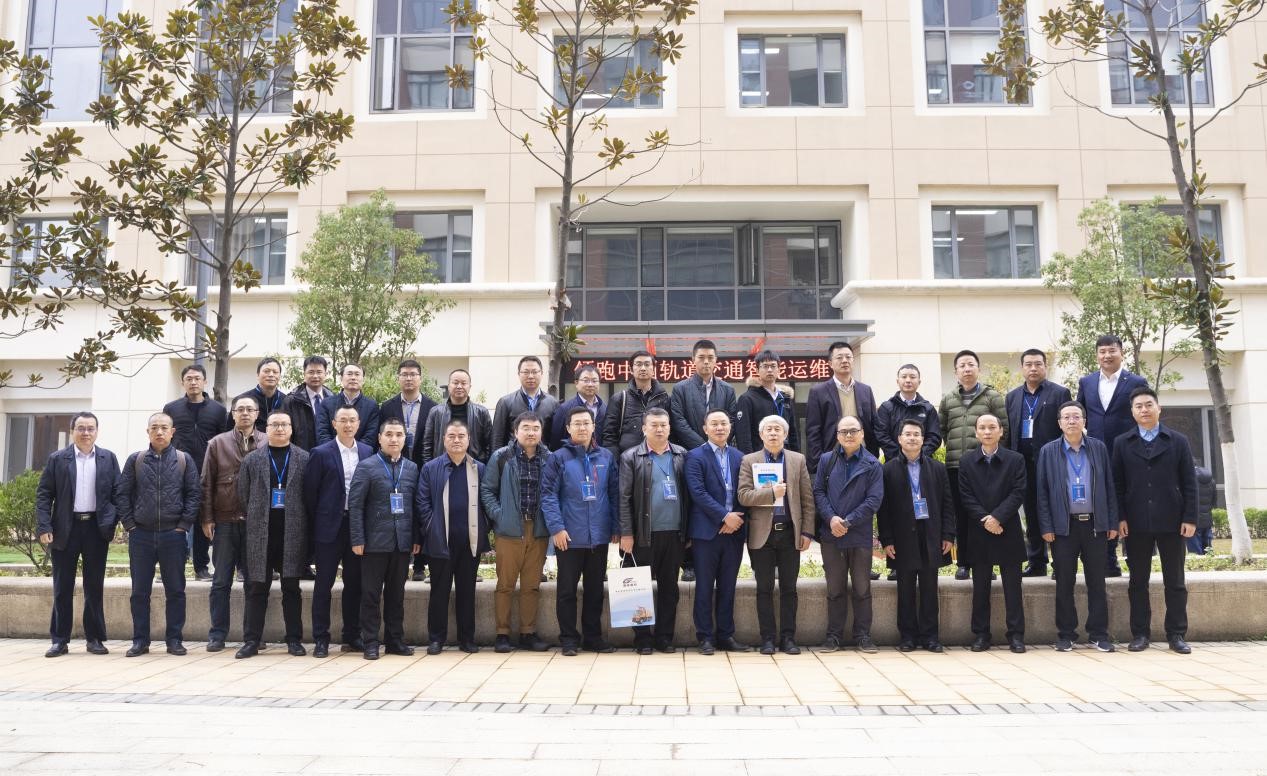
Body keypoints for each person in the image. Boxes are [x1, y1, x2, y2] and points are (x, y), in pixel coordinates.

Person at [1113, 386, 1198, 654]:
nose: (1144, 410)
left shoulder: (1178, 441)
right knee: (1138, 582)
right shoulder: (1122, 443)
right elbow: (1117, 485)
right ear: (1132, 412)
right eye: (1138, 406)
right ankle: (1140, 634)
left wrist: (1190, 518)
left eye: (1149, 405)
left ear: (1159, 408)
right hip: (1135, 522)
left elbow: (1190, 482)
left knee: (1175, 581)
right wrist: (1120, 517)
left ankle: (1177, 634)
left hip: (1172, 520)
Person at [35, 412, 121, 657]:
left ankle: (94, 639)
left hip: (96, 529)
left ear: (97, 431)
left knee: (94, 586)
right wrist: (44, 526)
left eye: (90, 428)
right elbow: (44, 494)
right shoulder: (58, 459)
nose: (86, 433)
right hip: (65, 528)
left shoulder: (108, 458)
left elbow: (118, 493)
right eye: (81, 428)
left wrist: (112, 521)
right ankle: (59, 640)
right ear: (73, 431)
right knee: (62, 587)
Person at [117, 412, 201, 657]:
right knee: (139, 592)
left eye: (164, 427)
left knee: (175, 591)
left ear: (172, 432)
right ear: (148, 432)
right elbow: (122, 494)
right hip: (141, 535)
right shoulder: (136, 460)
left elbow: (194, 494)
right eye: (154, 427)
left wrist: (184, 525)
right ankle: (140, 641)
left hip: (173, 535)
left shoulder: (184, 460)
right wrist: (130, 525)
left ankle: (174, 640)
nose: (159, 432)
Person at [1038, 401, 1119, 653]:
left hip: (1094, 525)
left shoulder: (1098, 448)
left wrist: (1111, 521)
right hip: (1063, 527)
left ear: (1084, 421)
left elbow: (1109, 486)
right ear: (1059, 423)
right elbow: (1042, 492)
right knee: (1064, 582)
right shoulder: (1048, 451)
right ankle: (1066, 634)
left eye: (1076, 416)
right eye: (1066, 417)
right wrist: (1046, 525)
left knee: (1097, 582)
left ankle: (1099, 634)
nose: (1071, 421)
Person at [543, 406, 620, 656]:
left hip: (598, 536)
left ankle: (593, 637)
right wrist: (557, 528)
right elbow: (548, 495)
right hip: (569, 536)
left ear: (594, 426)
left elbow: (614, 494)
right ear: (568, 428)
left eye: (587, 423)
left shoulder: (606, 457)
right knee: (566, 590)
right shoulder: (558, 458)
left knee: (595, 590)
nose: (582, 427)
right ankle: (568, 639)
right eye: (577, 423)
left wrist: (616, 527)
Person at [234, 412, 309, 658]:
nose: (279, 428)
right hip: (260, 532)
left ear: (291, 428)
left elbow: (309, 495)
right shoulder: (252, 459)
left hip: (292, 532)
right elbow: (243, 495)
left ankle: (294, 640)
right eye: (274, 424)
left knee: (291, 588)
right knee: (257, 588)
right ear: (266, 429)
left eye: (284, 424)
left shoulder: (304, 458)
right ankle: (251, 641)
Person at [738, 415, 815, 655]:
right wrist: (772, 493)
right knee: (764, 588)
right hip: (762, 535)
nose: (773, 433)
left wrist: (807, 531)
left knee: (789, 588)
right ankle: (768, 639)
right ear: (761, 435)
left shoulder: (797, 460)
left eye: (777, 429)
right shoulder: (749, 460)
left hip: (790, 533)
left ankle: (788, 638)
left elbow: (807, 499)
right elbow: (743, 496)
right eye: (768, 429)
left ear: (785, 434)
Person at [303, 406, 375, 657]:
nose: (348, 424)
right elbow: (310, 494)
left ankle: (352, 635)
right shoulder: (320, 453)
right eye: (343, 420)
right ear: (334, 424)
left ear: (359, 423)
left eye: (352, 420)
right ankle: (321, 639)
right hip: (329, 527)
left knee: (354, 584)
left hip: (357, 527)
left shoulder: (367, 451)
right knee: (324, 584)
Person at [878, 419, 956, 653]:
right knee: (905, 589)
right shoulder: (888, 469)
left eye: (916, 434)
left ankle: (931, 637)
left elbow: (948, 504)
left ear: (923, 440)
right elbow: (883, 509)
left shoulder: (937, 468)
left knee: (930, 588)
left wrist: (948, 534)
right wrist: (887, 540)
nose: (912, 438)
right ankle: (907, 637)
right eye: (908, 434)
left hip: (931, 533)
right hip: (902, 537)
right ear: (899, 439)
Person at [617, 407, 689, 655]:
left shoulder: (681, 455)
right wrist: (626, 533)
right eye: (654, 425)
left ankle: (664, 638)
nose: (659, 429)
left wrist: (688, 533)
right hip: (642, 535)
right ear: (644, 428)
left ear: (669, 428)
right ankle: (643, 639)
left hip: (675, 533)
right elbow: (624, 497)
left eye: (663, 425)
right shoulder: (631, 456)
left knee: (670, 589)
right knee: (638, 588)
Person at [348, 418, 421, 660]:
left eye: (399, 434)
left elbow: (415, 507)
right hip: (373, 543)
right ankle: (370, 642)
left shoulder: (411, 468)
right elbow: (356, 505)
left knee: (396, 595)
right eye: (389, 434)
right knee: (370, 594)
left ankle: (394, 640)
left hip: (402, 542)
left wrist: (415, 537)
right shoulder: (367, 466)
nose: (394, 439)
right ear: (379, 438)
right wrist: (357, 539)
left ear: (404, 439)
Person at [1077, 334, 1148, 577]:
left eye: (1112, 350)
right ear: (1097, 355)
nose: (1107, 355)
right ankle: (1108, 561)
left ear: (1121, 353)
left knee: (1129, 503)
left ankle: (1135, 559)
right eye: (1102, 351)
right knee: (1102, 505)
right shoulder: (1086, 382)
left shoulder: (1136, 381)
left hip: (1128, 453)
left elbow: (1141, 414)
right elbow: (1081, 413)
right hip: (1095, 454)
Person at [811, 415, 883, 653]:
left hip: (859, 534)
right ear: (837, 435)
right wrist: (831, 518)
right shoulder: (827, 460)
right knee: (835, 589)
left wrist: (848, 521)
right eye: (844, 432)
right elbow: (818, 492)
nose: (849, 435)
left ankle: (863, 636)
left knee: (862, 588)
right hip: (831, 534)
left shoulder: (872, 464)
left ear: (862, 433)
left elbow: (874, 500)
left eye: (853, 431)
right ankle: (833, 636)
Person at [481, 412, 552, 653]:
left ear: (541, 432)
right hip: (509, 529)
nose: (531, 432)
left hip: (538, 529)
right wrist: (500, 515)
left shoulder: (549, 458)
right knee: (505, 584)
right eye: (526, 428)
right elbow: (487, 490)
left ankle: (528, 633)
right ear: (515, 432)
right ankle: (502, 634)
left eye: (535, 428)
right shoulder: (502, 457)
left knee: (532, 585)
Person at [418, 419, 490, 655]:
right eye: (451, 436)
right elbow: (422, 502)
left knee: (467, 592)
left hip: (470, 541)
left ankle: (467, 639)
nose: (456, 440)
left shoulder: (479, 468)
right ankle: (436, 639)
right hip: (441, 541)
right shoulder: (431, 468)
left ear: (469, 440)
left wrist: (485, 525)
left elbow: (488, 500)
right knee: (438, 592)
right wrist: (432, 527)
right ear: (444, 440)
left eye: (461, 436)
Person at [199, 396, 265, 652]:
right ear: (233, 414)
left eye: (250, 409)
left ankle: (253, 636)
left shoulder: (267, 441)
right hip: (225, 521)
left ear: (257, 414)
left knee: (254, 582)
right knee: (220, 582)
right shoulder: (217, 443)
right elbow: (206, 483)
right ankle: (217, 635)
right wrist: (207, 517)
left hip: (255, 524)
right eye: (240, 409)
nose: (245, 413)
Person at [958, 414, 1028, 653]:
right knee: (980, 588)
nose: (987, 432)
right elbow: (966, 496)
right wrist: (986, 520)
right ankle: (981, 634)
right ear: (976, 432)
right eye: (982, 428)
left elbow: (1018, 492)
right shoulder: (966, 461)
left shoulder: (1016, 460)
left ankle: (1016, 635)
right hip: (980, 531)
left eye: (992, 427)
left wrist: (997, 517)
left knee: (1013, 588)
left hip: (1007, 528)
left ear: (1001, 431)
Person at [938, 349, 1007, 581]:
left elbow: (1004, 429)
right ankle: (964, 563)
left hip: (986, 466)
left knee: (986, 514)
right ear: (955, 371)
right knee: (961, 515)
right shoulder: (948, 399)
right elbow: (943, 430)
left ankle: (988, 563)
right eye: (962, 365)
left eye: (971, 364)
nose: (967, 369)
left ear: (978, 368)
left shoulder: (992, 397)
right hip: (956, 465)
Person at [684, 409, 749, 655]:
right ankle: (705, 637)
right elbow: (698, 492)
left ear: (730, 427)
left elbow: (746, 491)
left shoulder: (740, 457)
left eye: (723, 423)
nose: (720, 428)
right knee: (703, 587)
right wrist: (724, 516)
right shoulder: (694, 456)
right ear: (705, 429)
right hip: (706, 532)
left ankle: (725, 635)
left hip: (734, 532)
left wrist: (735, 518)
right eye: (714, 424)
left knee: (728, 586)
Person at [1005, 349, 1072, 578]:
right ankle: (1037, 562)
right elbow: (1010, 432)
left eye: (1038, 364)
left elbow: (1065, 427)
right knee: (1032, 513)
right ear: (1022, 368)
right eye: (1028, 364)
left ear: (1045, 366)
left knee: (1056, 511)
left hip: (1052, 463)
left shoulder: (1060, 393)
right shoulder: (1012, 397)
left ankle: (1060, 563)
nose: (1033, 368)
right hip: (1023, 464)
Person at [164, 363, 230, 581]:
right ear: (182, 382)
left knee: (204, 519)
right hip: (177, 472)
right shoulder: (171, 409)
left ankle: (201, 568)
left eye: (197, 378)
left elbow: (224, 441)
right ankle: (171, 568)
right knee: (175, 519)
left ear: (205, 382)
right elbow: (166, 439)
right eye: (189, 379)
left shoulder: (218, 410)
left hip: (207, 472)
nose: (193, 382)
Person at [378, 358, 439, 582]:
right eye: (404, 374)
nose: (409, 378)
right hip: (395, 467)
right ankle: (398, 563)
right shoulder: (387, 406)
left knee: (421, 511)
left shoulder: (433, 407)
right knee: (398, 512)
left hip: (424, 467)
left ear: (420, 378)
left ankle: (420, 564)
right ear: (398, 378)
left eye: (413, 374)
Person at [804, 341, 879, 474]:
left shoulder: (865, 390)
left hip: (862, 457)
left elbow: (873, 424)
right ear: (830, 363)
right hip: (832, 458)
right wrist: (819, 461)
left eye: (848, 357)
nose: (845, 360)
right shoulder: (818, 392)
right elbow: (813, 431)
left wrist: (873, 456)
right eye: (839, 357)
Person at [603, 350, 672, 459]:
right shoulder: (620, 399)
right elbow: (609, 435)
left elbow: (672, 432)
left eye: (647, 364)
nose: (643, 368)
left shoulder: (665, 399)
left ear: (653, 369)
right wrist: (615, 462)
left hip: (658, 458)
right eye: (638, 364)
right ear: (631, 369)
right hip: (627, 460)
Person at [670, 339, 738, 449]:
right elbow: (678, 422)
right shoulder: (680, 389)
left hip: (720, 450)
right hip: (689, 451)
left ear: (716, 360)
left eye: (710, 358)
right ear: (693, 359)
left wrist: (717, 443)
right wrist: (703, 447)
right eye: (701, 357)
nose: (706, 361)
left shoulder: (728, 390)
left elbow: (732, 421)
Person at [421, 368, 493, 464]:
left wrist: (485, 469)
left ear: (470, 386)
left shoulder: (481, 412)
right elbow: (427, 445)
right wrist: (429, 468)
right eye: (455, 383)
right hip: (442, 466)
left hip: (473, 467)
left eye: (463, 383)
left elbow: (489, 445)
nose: (459, 386)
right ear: (448, 386)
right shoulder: (436, 412)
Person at [735, 349, 799, 455]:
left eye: (773, 366)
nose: (769, 370)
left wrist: (795, 457)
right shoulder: (747, 399)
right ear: (757, 370)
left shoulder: (785, 398)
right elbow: (743, 436)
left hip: (784, 456)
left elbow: (793, 433)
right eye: (765, 366)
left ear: (779, 369)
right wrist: (749, 460)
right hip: (759, 457)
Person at [875, 364, 941, 463]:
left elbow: (934, 437)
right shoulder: (886, 408)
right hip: (894, 463)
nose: (908, 380)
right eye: (904, 377)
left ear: (919, 382)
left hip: (922, 463)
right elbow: (881, 436)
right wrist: (901, 457)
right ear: (897, 381)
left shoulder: (928, 409)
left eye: (912, 377)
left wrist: (918, 456)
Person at [491, 355, 560, 451]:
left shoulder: (552, 403)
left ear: (541, 373)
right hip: (513, 457)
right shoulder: (505, 402)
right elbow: (497, 438)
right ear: (519, 374)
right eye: (526, 372)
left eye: (534, 372)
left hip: (543, 458)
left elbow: (555, 438)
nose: (530, 376)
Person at [317, 363, 380, 448]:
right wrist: (336, 451)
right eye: (349, 374)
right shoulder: (326, 404)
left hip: (361, 454)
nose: (353, 378)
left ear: (363, 380)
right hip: (331, 453)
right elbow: (322, 433)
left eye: (357, 374)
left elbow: (370, 437)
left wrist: (354, 451)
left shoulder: (372, 406)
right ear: (341, 378)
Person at [552, 364, 606, 451]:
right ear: (576, 383)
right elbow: (555, 440)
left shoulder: (604, 408)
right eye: (586, 380)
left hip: (599, 457)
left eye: (594, 381)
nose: (590, 384)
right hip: (571, 456)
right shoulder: (564, 409)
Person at [234, 357, 294, 434]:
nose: (271, 375)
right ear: (258, 375)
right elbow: (231, 431)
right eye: (266, 371)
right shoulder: (242, 401)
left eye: (275, 372)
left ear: (279, 376)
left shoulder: (287, 401)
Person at [288, 355, 333, 451]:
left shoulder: (333, 400)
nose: (315, 376)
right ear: (304, 374)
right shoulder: (292, 400)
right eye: (311, 372)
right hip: (300, 453)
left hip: (328, 453)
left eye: (319, 372)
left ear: (325, 374)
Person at [1188, 464, 1215, 555]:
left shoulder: (1189, 481)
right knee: (1208, 550)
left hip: (1193, 520)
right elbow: (1214, 500)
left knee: (1195, 553)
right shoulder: (1211, 480)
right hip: (1207, 519)